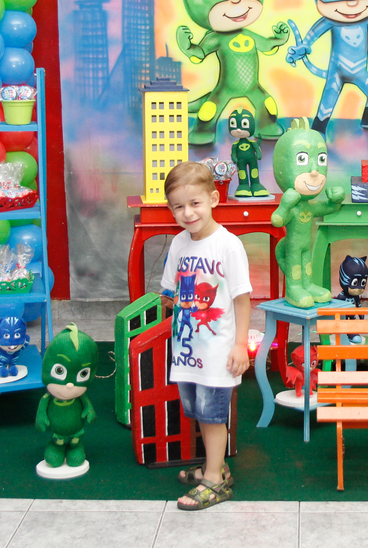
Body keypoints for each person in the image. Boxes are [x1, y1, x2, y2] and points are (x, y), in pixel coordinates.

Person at [159, 161, 253, 509]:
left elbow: (242, 300)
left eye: (195, 203)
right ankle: (217, 466)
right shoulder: (179, 244)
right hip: (188, 348)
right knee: (199, 412)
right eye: (178, 206)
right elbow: (169, 293)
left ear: (213, 199)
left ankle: (215, 480)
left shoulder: (228, 246)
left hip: (218, 352)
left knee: (212, 414)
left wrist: (240, 345)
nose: (187, 213)